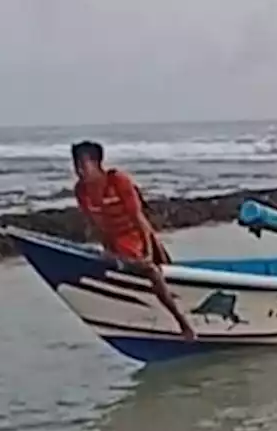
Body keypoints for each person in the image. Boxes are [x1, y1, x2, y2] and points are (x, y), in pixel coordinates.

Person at [71, 141, 196, 341]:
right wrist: (107, 250)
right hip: (114, 239)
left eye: (83, 165)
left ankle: (184, 323)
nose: (79, 171)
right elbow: (95, 224)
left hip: (135, 234)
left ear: (97, 163)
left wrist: (147, 252)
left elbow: (139, 218)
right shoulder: (81, 191)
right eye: (75, 165)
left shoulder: (118, 181)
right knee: (123, 264)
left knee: (155, 270)